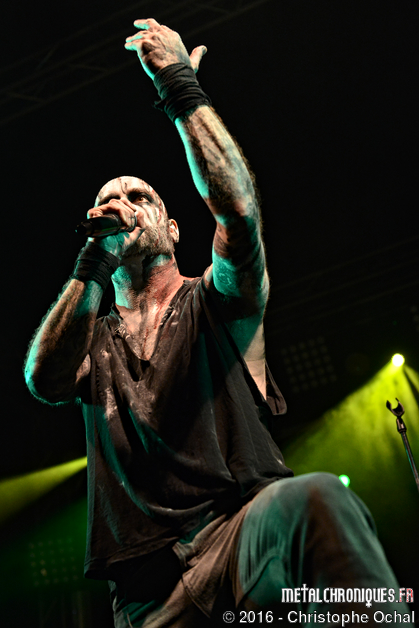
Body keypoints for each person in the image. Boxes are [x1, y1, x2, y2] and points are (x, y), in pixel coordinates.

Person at [24, 19, 413, 628]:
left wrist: (180, 87)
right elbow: (43, 378)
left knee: (316, 500)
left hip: (240, 538)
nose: (121, 205)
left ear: (173, 228)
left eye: (139, 197)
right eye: (108, 201)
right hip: (149, 589)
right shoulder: (92, 341)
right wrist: (94, 258)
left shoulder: (216, 300)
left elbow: (240, 212)